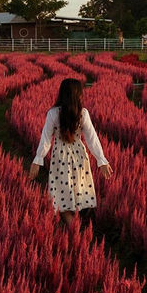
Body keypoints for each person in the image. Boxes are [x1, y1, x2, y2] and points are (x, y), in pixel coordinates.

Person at [29, 78, 113, 226]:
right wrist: (101, 161)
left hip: (60, 157)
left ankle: (74, 229)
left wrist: (38, 159)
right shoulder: (83, 113)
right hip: (79, 156)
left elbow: (46, 139)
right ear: (76, 95)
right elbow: (92, 139)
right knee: (77, 191)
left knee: (61, 196)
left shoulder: (53, 113)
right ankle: (76, 229)